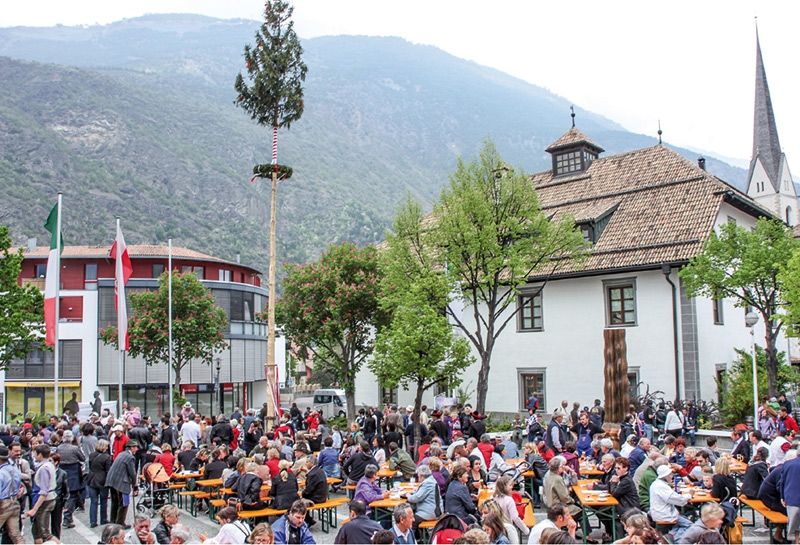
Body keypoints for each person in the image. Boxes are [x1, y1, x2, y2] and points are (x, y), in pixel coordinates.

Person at [648, 465, 691, 541]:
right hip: (665, 516)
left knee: (682, 520)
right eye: (670, 474)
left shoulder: (657, 484)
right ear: (665, 476)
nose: (672, 476)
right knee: (690, 525)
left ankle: (672, 535)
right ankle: (672, 538)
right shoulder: (661, 486)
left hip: (661, 513)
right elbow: (679, 500)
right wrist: (689, 495)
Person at [27, 444, 57, 544]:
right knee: (37, 531)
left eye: (35, 453)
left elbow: (44, 491)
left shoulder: (44, 468)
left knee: (44, 533)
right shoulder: (49, 465)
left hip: (45, 500)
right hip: (49, 498)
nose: (34, 455)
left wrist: (34, 509)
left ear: (40, 454)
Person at [106, 441, 139, 526]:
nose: (137, 449)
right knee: (124, 503)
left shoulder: (121, 454)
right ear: (131, 448)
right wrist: (135, 485)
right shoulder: (130, 457)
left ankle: (113, 520)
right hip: (121, 482)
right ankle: (120, 523)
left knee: (115, 502)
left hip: (112, 480)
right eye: (136, 447)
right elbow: (133, 473)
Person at [0, 446, 23, 545]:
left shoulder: (1, 472)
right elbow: (20, 486)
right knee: (15, 534)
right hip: (14, 501)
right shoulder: (15, 469)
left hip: (3, 504)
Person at [87, 438, 113, 528]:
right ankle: (103, 519)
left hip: (92, 479)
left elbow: (90, 466)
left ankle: (93, 521)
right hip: (102, 480)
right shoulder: (107, 457)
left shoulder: (91, 455)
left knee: (93, 502)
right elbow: (108, 470)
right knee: (103, 501)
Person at [781, 453, 800, 544]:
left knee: (795, 524)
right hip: (792, 498)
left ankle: (797, 541)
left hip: (792, 498)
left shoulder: (788, 464)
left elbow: (782, 482)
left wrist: (782, 497)